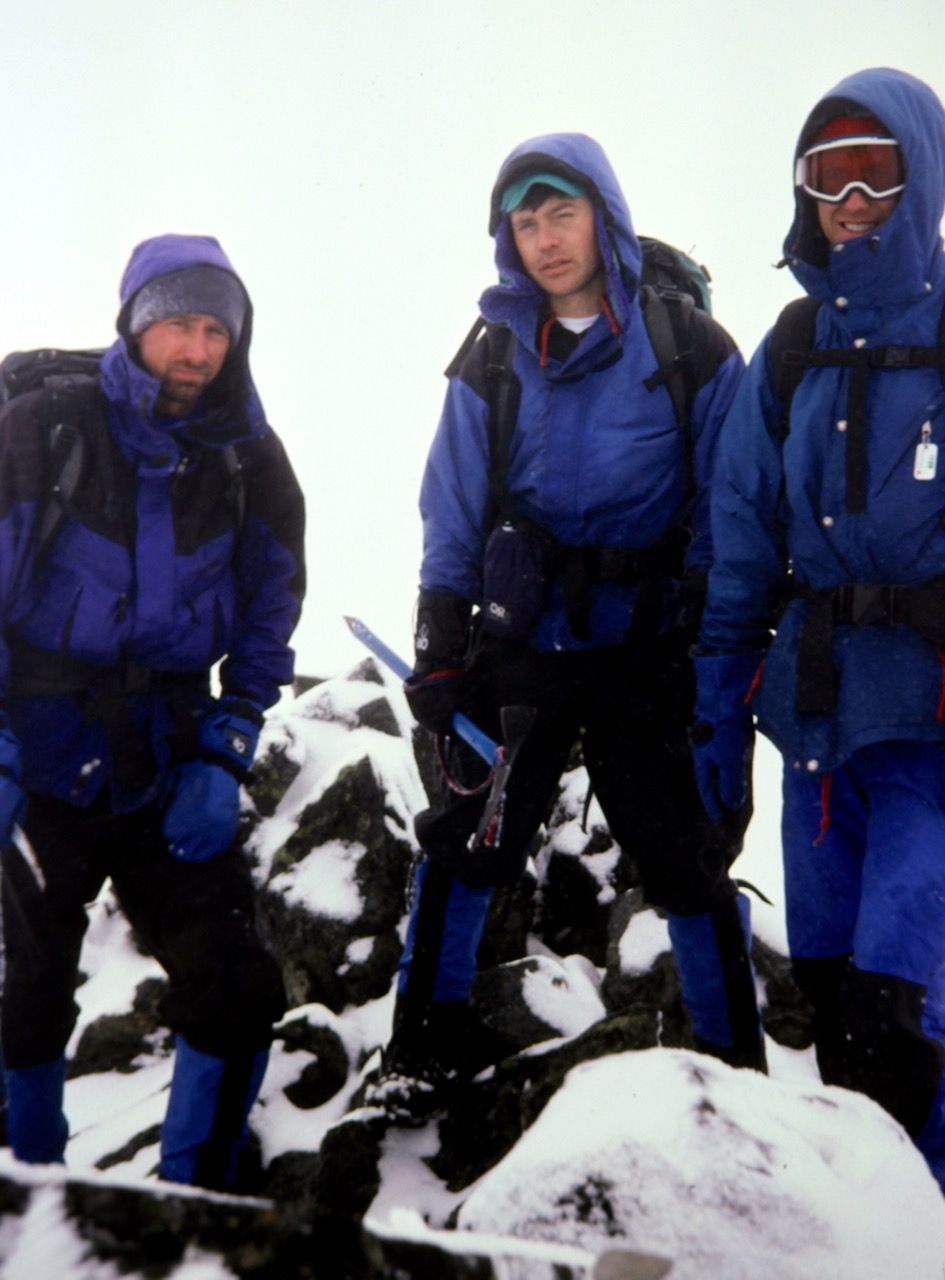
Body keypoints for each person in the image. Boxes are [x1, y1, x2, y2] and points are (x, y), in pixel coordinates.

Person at [376, 131, 765, 1114]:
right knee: (473, 833)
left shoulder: (691, 348)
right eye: (526, 221)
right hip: (524, 642)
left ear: (605, 218)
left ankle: (738, 1072)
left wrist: (713, 643)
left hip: (646, 646)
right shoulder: (493, 354)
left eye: (563, 213)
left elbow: (728, 502)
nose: (546, 239)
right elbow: (452, 503)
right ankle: (421, 1047)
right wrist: (438, 640)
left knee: (684, 853)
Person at [0, 233, 306, 1190]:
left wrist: (227, 746)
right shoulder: (42, 429)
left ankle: (196, 1208)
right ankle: (30, 1206)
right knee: (26, 992)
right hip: (39, 762)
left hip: (167, 762)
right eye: (178, 325)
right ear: (133, 326)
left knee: (237, 986)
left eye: (217, 330)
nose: (197, 349)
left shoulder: (248, 457)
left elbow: (271, 607)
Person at [691, 67, 945, 1191]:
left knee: (908, 1009)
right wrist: (716, 710)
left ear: (919, 179)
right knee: (838, 1004)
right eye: (826, 175)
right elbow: (740, 531)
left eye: (874, 172)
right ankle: (873, 1235)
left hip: (930, 724)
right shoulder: (790, 347)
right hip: (813, 723)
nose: (848, 201)